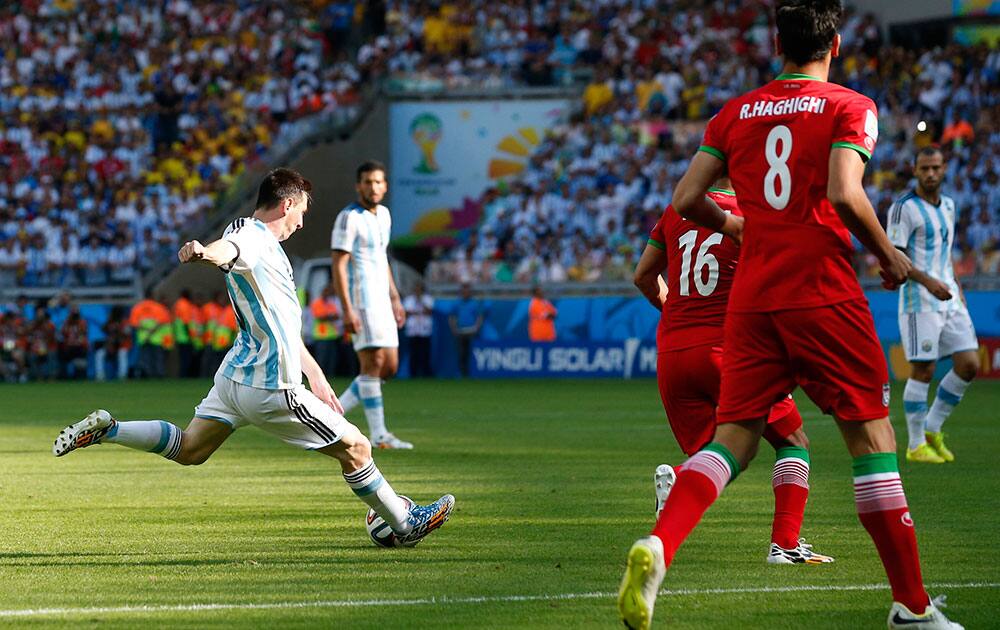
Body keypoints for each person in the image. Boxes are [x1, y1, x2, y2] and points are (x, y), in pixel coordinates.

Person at [618, 3, 961, 629]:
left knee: (732, 440)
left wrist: (737, 224)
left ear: (778, 42)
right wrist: (888, 257)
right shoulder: (848, 106)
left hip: (751, 301)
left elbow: (686, 200)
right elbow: (842, 191)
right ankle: (911, 607)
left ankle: (660, 544)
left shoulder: (734, 113)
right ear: (834, 41)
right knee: (872, 440)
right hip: (821, 290)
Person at [52, 167, 454, 547]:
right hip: (270, 385)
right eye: (302, 212)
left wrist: (315, 374)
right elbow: (229, 250)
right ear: (287, 205)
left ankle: (110, 429)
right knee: (357, 448)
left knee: (191, 448)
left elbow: (279, 319)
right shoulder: (255, 238)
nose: (301, 223)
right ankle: (404, 524)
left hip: (235, 378)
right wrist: (202, 252)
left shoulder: (255, 237)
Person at [634, 179, 832, 565]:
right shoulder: (752, 215)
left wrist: (678, 312)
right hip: (731, 352)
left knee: (713, 455)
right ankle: (785, 545)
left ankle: (678, 477)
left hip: (674, 354)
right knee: (794, 440)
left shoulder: (676, 210)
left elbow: (643, 276)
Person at [887, 146, 979, 464]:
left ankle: (931, 429)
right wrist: (929, 282)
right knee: (923, 369)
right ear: (914, 170)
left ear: (944, 169)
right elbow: (893, 256)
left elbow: (945, 252)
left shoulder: (949, 206)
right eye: (924, 168)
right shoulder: (903, 209)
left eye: (935, 168)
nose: (930, 174)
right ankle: (915, 446)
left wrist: (957, 287)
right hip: (919, 300)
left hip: (950, 296)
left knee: (969, 363)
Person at [331, 161, 413, 450]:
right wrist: (347, 309)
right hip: (362, 298)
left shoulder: (385, 215)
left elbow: (382, 257)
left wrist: (394, 297)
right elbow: (339, 265)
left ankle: (329, 415)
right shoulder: (348, 218)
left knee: (388, 367)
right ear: (358, 185)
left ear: (385, 185)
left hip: (382, 298)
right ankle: (379, 435)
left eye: (378, 182)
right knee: (372, 363)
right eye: (367, 182)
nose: (373, 187)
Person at [129, 291, 172, 378]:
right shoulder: (159, 307)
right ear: (152, 296)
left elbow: (134, 324)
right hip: (157, 338)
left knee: (145, 359)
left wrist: (146, 330)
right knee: (158, 358)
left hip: (143, 338)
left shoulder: (137, 308)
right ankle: (159, 375)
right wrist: (152, 330)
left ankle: (147, 375)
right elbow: (162, 322)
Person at [448, 283, 484, 377]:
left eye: (467, 291)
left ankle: (472, 373)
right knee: (461, 353)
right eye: (464, 291)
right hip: (460, 331)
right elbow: (452, 317)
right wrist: (453, 329)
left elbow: (479, 317)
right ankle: (463, 373)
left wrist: (477, 327)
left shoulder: (474, 303)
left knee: (472, 353)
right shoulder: (456, 303)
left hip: (471, 331)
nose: (465, 293)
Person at [402, 281, 434, 377]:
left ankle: (425, 374)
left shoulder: (427, 299)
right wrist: (418, 312)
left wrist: (420, 301)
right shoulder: (408, 300)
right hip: (412, 330)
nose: (417, 290)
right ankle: (413, 374)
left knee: (425, 353)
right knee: (413, 353)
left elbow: (429, 311)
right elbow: (406, 313)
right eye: (416, 288)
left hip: (424, 330)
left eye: (419, 289)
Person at [310, 284, 343, 378]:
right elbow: (319, 316)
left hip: (332, 336)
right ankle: (320, 377)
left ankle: (330, 376)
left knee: (332, 359)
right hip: (321, 336)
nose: (329, 294)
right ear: (323, 292)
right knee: (321, 359)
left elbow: (337, 316)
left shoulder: (330, 304)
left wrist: (328, 316)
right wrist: (329, 316)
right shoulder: (317, 303)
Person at [173, 290, 204, 378]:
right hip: (185, 337)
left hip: (180, 336)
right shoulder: (185, 305)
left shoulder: (178, 304)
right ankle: (184, 376)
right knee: (186, 359)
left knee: (183, 358)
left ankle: (183, 375)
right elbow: (186, 322)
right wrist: (189, 335)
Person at [95, 306, 131, 381]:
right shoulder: (110, 321)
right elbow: (103, 329)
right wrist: (109, 323)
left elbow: (127, 334)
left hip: (121, 345)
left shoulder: (125, 322)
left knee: (122, 353)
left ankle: (122, 375)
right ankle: (100, 375)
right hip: (110, 346)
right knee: (99, 354)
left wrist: (118, 330)